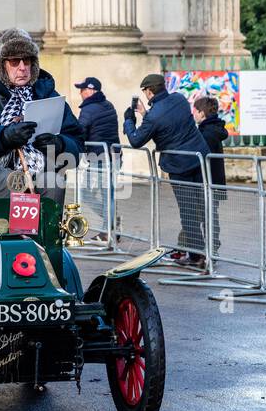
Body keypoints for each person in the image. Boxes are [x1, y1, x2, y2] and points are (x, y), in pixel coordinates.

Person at [0, 28, 83, 204]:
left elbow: (77, 142)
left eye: (27, 60)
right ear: (1, 64)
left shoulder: (49, 94)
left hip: (40, 168)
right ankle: (16, 232)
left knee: (54, 182)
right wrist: (4, 136)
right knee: (14, 181)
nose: (22, 67)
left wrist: (59, 143)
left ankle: (46, 231)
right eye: (15, 61)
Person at [123, 73, 211, 270]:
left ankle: (197, 257)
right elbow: (167, 123)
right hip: (199, 158)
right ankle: (209, 251)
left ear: (149, 91)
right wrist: (146, 115)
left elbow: (136, 140)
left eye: (144, 91)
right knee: (203, 206)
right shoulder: (179, 99)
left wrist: (129, 121)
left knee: (188, 210)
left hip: (179, 165)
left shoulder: (154, 116)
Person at [74, 75, 118, 238]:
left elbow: (80, 131)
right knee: (107, 194)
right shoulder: (109, 105)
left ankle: (109, 229)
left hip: (99, 157)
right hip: (113, 155)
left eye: (83, 89)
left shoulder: (88, 109)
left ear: (91, 91)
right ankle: (111, 222)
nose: (80, 93)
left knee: (86, 192)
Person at [192, 93, 228, 255]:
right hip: (213, 180)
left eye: (195, 110)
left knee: (208, 216)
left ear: (202, 113)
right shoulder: (211, 130)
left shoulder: (207, 133)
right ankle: (206, 248)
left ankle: (211, 249)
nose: (193, 113)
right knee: (207, 215)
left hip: (207, 181)